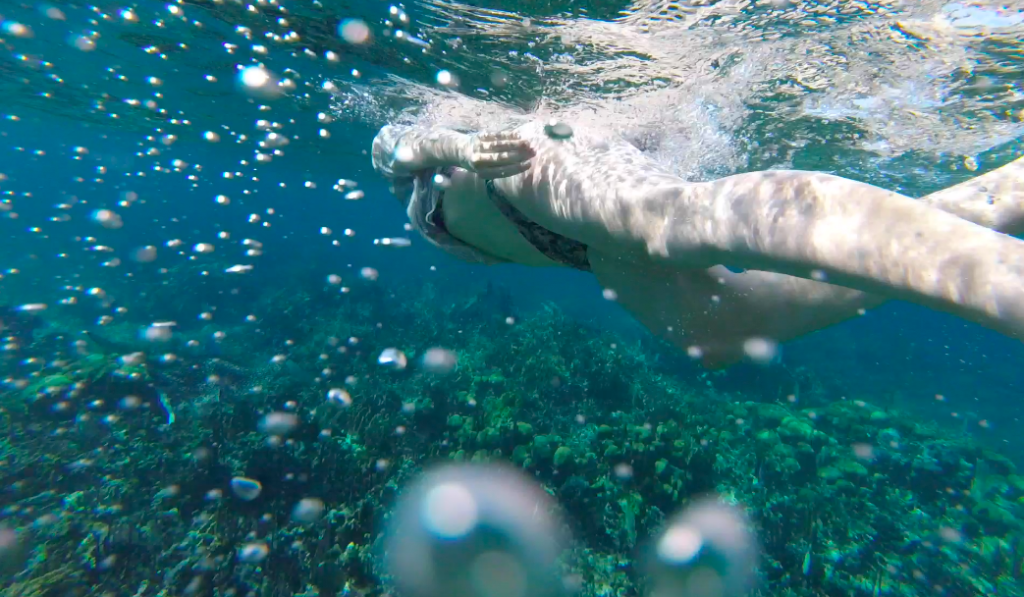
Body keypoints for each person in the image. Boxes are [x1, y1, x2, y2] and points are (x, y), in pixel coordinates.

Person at [372, 119, 1024, 368]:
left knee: (672, 220)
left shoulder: (414, 175)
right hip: (574, 245)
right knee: (715, 333)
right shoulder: (432, 217)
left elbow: (399, 144)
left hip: (521, 167)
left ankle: (1003, 280)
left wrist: (459, 146)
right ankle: (996, 199)